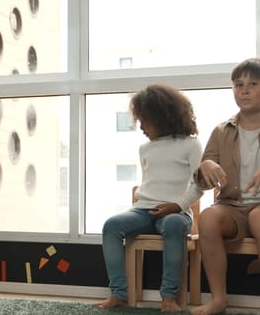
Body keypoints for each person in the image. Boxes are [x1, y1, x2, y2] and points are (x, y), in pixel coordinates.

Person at [95, 84, 203, 312]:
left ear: (161, 116)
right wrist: (144, 206)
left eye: (145, 120)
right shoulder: (145, 148)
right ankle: (119, 294)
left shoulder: (191, 144)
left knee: (173, 224)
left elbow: (199, 185)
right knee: (111, 226)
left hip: (177, 212)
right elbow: (149, 184)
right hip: (143, 210)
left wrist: (177, 206)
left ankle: (169, 298)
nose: (141, 126)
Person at [190, 58, 260, 315]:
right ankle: (218, 299)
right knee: (208, 218)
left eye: (253, 84)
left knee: (258, 216)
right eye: (238, 84)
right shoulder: (222, 131)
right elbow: (201, 179)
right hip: (231, 205)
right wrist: (205, 165)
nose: (244, 90)